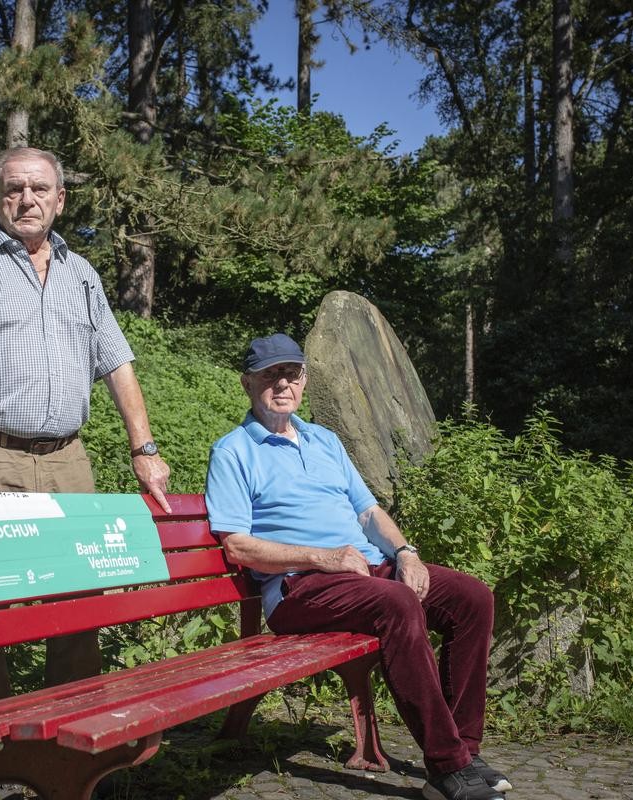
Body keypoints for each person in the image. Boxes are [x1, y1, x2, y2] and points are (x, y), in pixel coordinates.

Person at [0, 146, 171, 704]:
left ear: (60, 200)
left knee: (80, 598)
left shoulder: (83, 275)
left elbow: (117, 363)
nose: (28, 199)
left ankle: (70, 726)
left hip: (67, 457)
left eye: (40, 189)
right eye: (15, 188)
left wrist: (143, 447)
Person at [205, 333, 512, 800]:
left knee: (472, 598)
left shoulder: (324, 440)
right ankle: (447, 767)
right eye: (271, 375)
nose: (282, 383)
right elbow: (239, 548)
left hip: (364, 573)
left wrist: (405, 553)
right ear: (248, 383)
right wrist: (322, 558)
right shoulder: (233, 451)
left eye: (291, 373)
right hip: (299, 588)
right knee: (397, 602)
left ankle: (465, 752)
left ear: (304, 381)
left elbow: (368, 512)